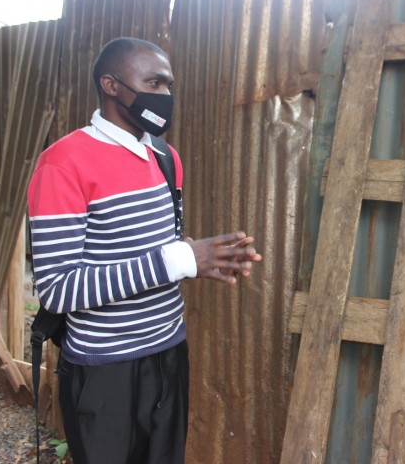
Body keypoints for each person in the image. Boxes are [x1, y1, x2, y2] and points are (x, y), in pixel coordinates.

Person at [27, 37, 262, 464]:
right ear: (111, 85)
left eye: (169, 85)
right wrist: (178, 260)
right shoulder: (62, 163)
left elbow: (155, 252)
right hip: (104, 368)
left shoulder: (166, 157)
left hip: (169, 352)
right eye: (153, 83)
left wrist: (195, 260)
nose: (165, 96)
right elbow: (58, 290)